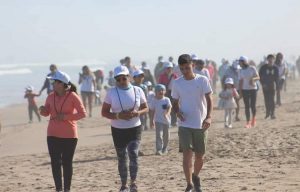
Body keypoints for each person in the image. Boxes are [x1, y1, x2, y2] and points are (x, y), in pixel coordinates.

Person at [101, 65, 148, 192]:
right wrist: (118, 115)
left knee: (133, 154)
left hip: (135, 127)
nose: (121, 81)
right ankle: (123, 185)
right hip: (118, 129)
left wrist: (137, 113)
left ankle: (133, 183)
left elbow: (145, 107)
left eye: (124, 78)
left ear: (129, 77)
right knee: (122, 157)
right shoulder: (111, 92)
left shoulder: (138, 90)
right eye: (118, 79)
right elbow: (104, 112)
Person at [39, 71, 86, 192]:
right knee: (55, 163)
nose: (52, 84)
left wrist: (65, 117)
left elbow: (82, 114)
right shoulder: (50, 96)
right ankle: (58, 189)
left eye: (54, 81)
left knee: (66, 163)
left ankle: (67, 189)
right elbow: (46, 113)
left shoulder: (73, 96)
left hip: (69, 135)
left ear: (62, 83)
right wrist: (43, 110)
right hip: (52, 134)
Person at [172, 54, 213, 192]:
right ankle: (189, 184)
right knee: (187, 154)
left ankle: (195, 176)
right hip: (184, 124)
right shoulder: (177, 83)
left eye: (187, 68)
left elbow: (209, 99)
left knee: (200, 156)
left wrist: (209, 117)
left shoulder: (202, 80)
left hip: (200, 123)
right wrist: (177, 111)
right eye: (182, 69)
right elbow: (174, 101)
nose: (185, 71)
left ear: (193, 66)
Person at [149, 84, 172, 155]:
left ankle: (165, 148)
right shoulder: (154, 100)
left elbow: (169, 107)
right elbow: (152, 111)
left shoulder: (166, 99)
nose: (161, 92)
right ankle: (159, 149)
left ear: (165, 91)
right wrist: (151, 120)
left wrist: (167, 113)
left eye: (162, 90)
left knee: (166, 136)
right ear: (155, 92)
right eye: (159, 90)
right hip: (158, 121)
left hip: (166, 121)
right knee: (159, 135)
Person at [239, 56, 260, 128]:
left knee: (253, 105)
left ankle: (253, 119)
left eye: (241, 61)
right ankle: (248, 122)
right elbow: (240, 81)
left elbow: (258, 77)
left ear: (245, 62)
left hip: (253, 89)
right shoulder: (241, 71)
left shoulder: (252, 68)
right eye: (239, 61)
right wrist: (240, 92)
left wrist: (253, 79)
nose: (239, 63)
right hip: (245, 89)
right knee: (246, 106)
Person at [259, 54, 279, 119]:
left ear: (274, 59)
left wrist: (277, 86)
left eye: (272, 59)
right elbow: (259, 76)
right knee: (266, 100)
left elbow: (277, 78)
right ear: (267, 59)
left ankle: (272, 113)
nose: (270, 60)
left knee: (272, 100)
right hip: (265, 86)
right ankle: (267, 112)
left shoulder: (275, 68)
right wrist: (263, 84)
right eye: (269, 59)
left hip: (272, 86)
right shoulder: (263, 67)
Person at [158, 62, 178, 127]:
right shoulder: (162, 76)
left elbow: (178, 85)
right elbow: (159, 85)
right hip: (165, 94)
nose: (169, 69)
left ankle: (174, 122)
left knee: (174, 107)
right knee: (165, 108)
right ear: (165, 69)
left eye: (170, 68)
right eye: (167, 68)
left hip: (173, 93)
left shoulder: (174, 76)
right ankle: (166, 122)